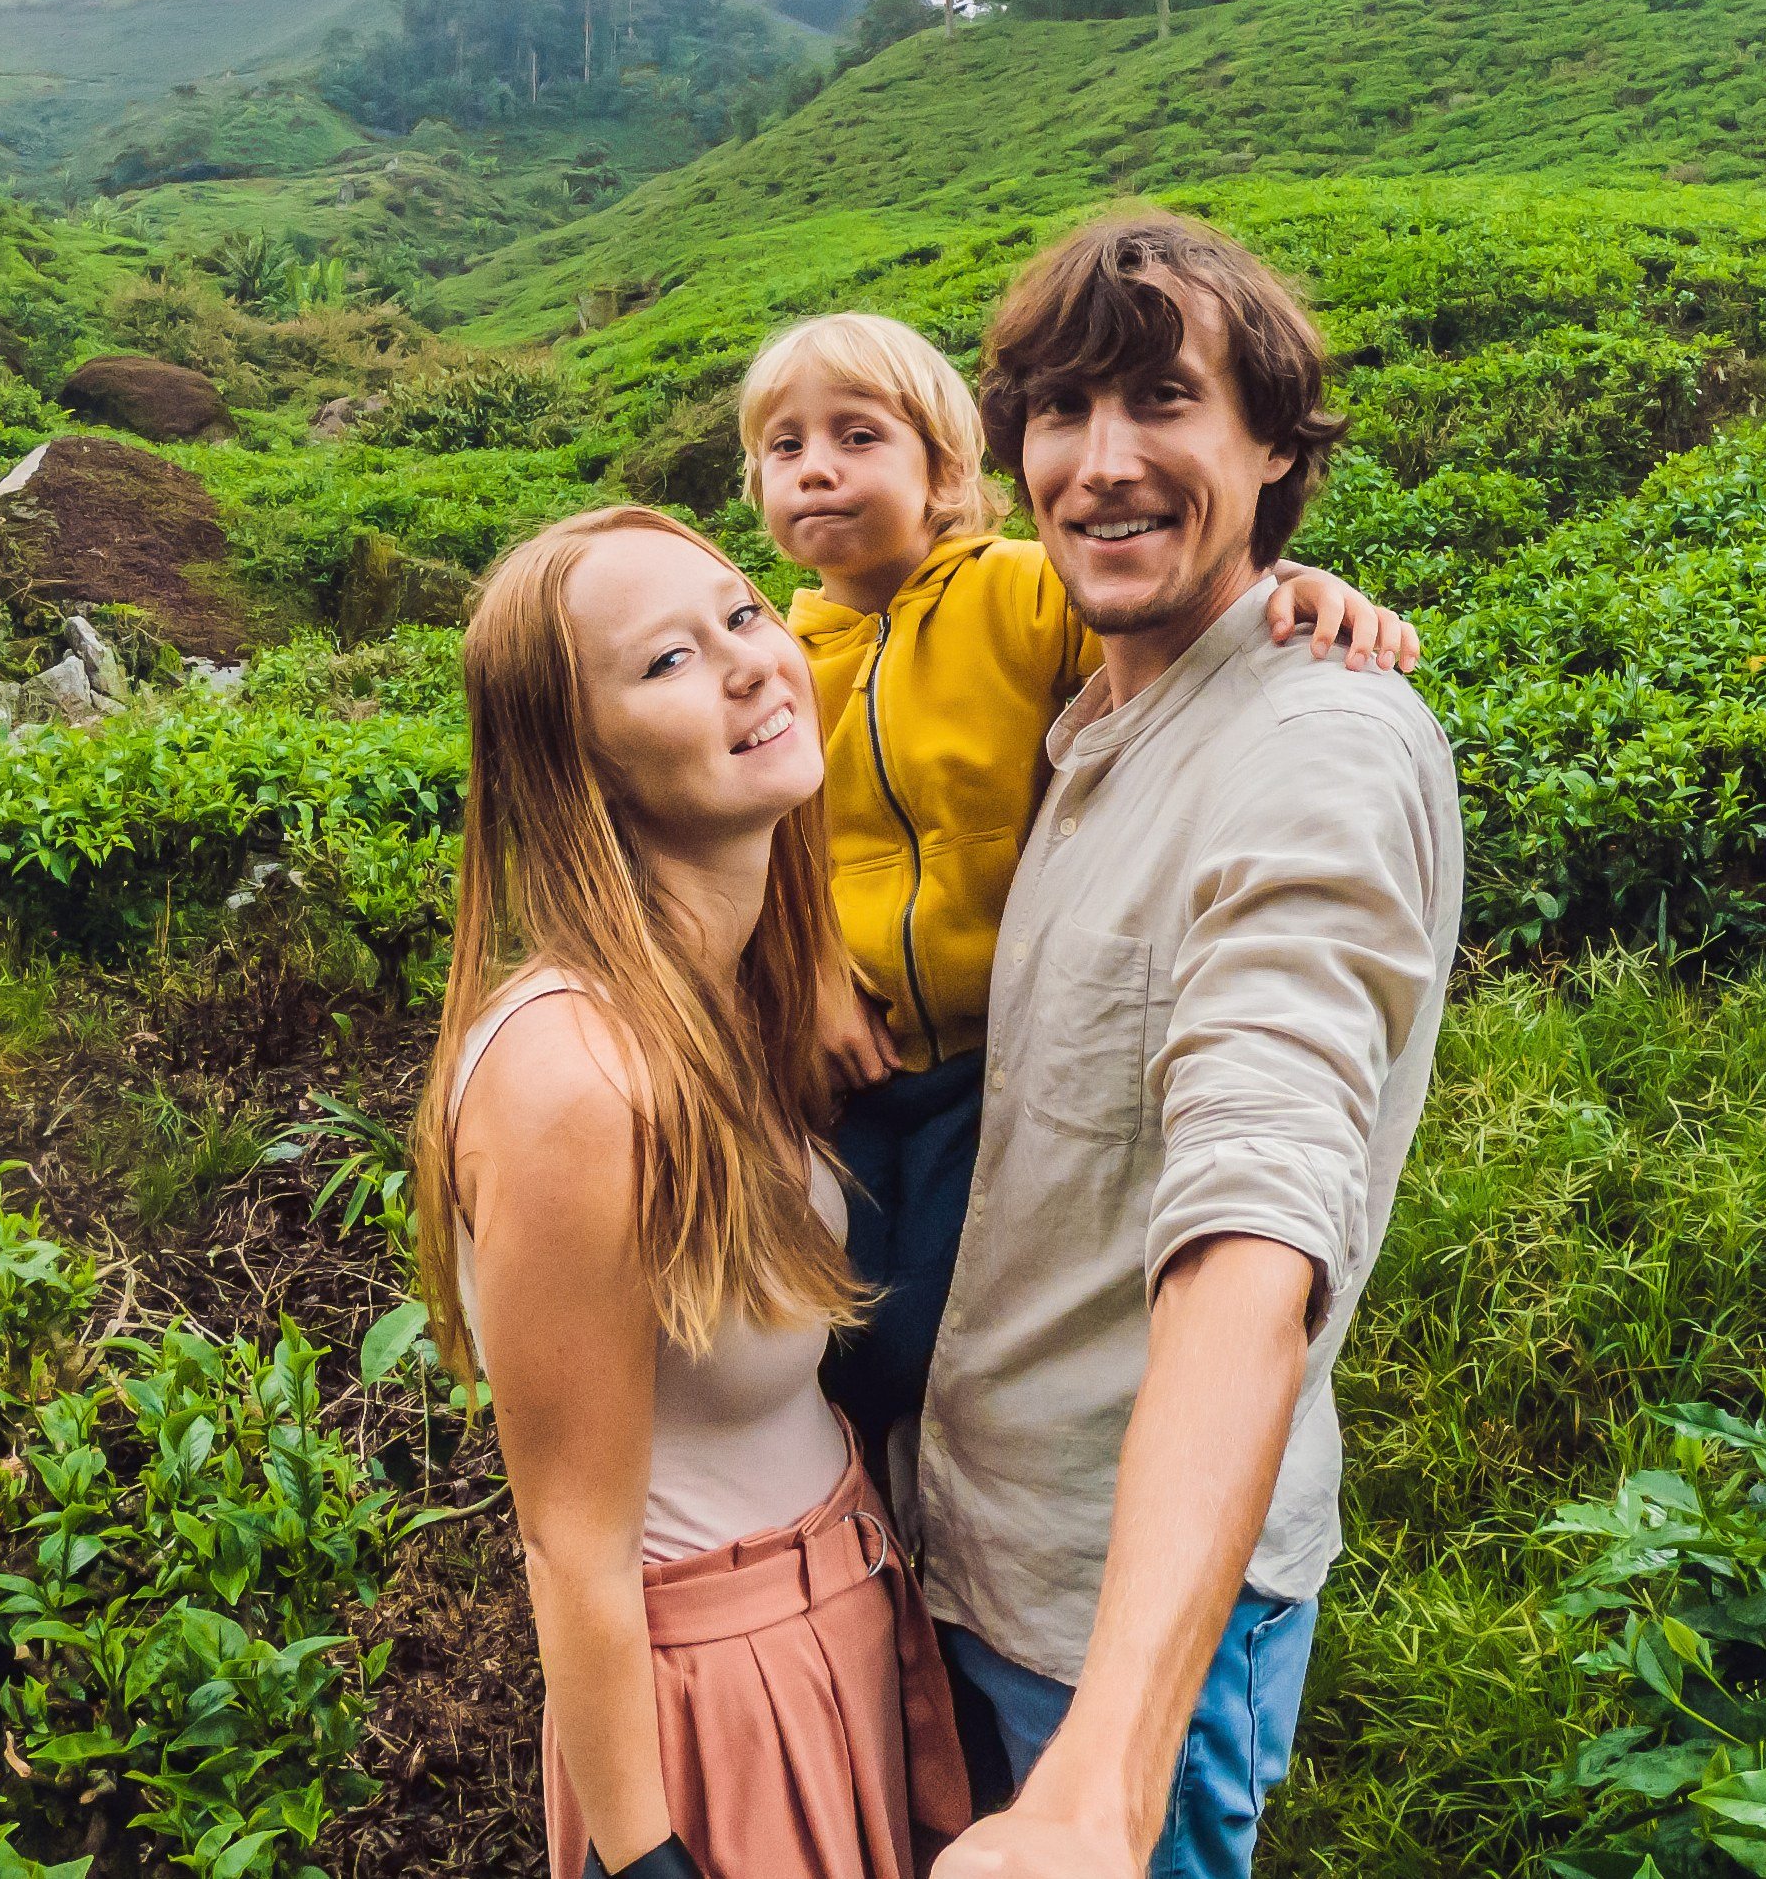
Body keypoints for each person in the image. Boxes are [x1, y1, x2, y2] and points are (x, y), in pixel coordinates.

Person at [916, 214, 1462, 1879]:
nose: (1101, 460)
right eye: (1061, 409)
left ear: (1278, 443)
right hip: (975, 1545)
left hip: (1125, 1624)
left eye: (1165, 398)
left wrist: (1109, 1772)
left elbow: (1257, 1216)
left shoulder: (1311, 746)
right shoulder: (1085, 713)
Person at [732, 312, 1417, 1488]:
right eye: (783, 447)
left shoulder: (1018, 588)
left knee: (925, 1335)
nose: (818, 468)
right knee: (820, 1323)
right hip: (851, 1064)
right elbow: (760, 849)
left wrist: (1303, 589)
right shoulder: (782, 654)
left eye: (856, 435)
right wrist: (806, 975)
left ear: (946, 472)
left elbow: (1176, 598)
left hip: (992, 1062)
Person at [414, 504, 969, 1879]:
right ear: (577, 761)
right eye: (666, 660)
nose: (747, 664)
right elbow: (570, 1546)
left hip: (846, 1612)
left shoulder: (737, 1003)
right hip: (718, 1700)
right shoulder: (574, 1074)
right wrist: (646, 1856)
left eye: (742, 613)